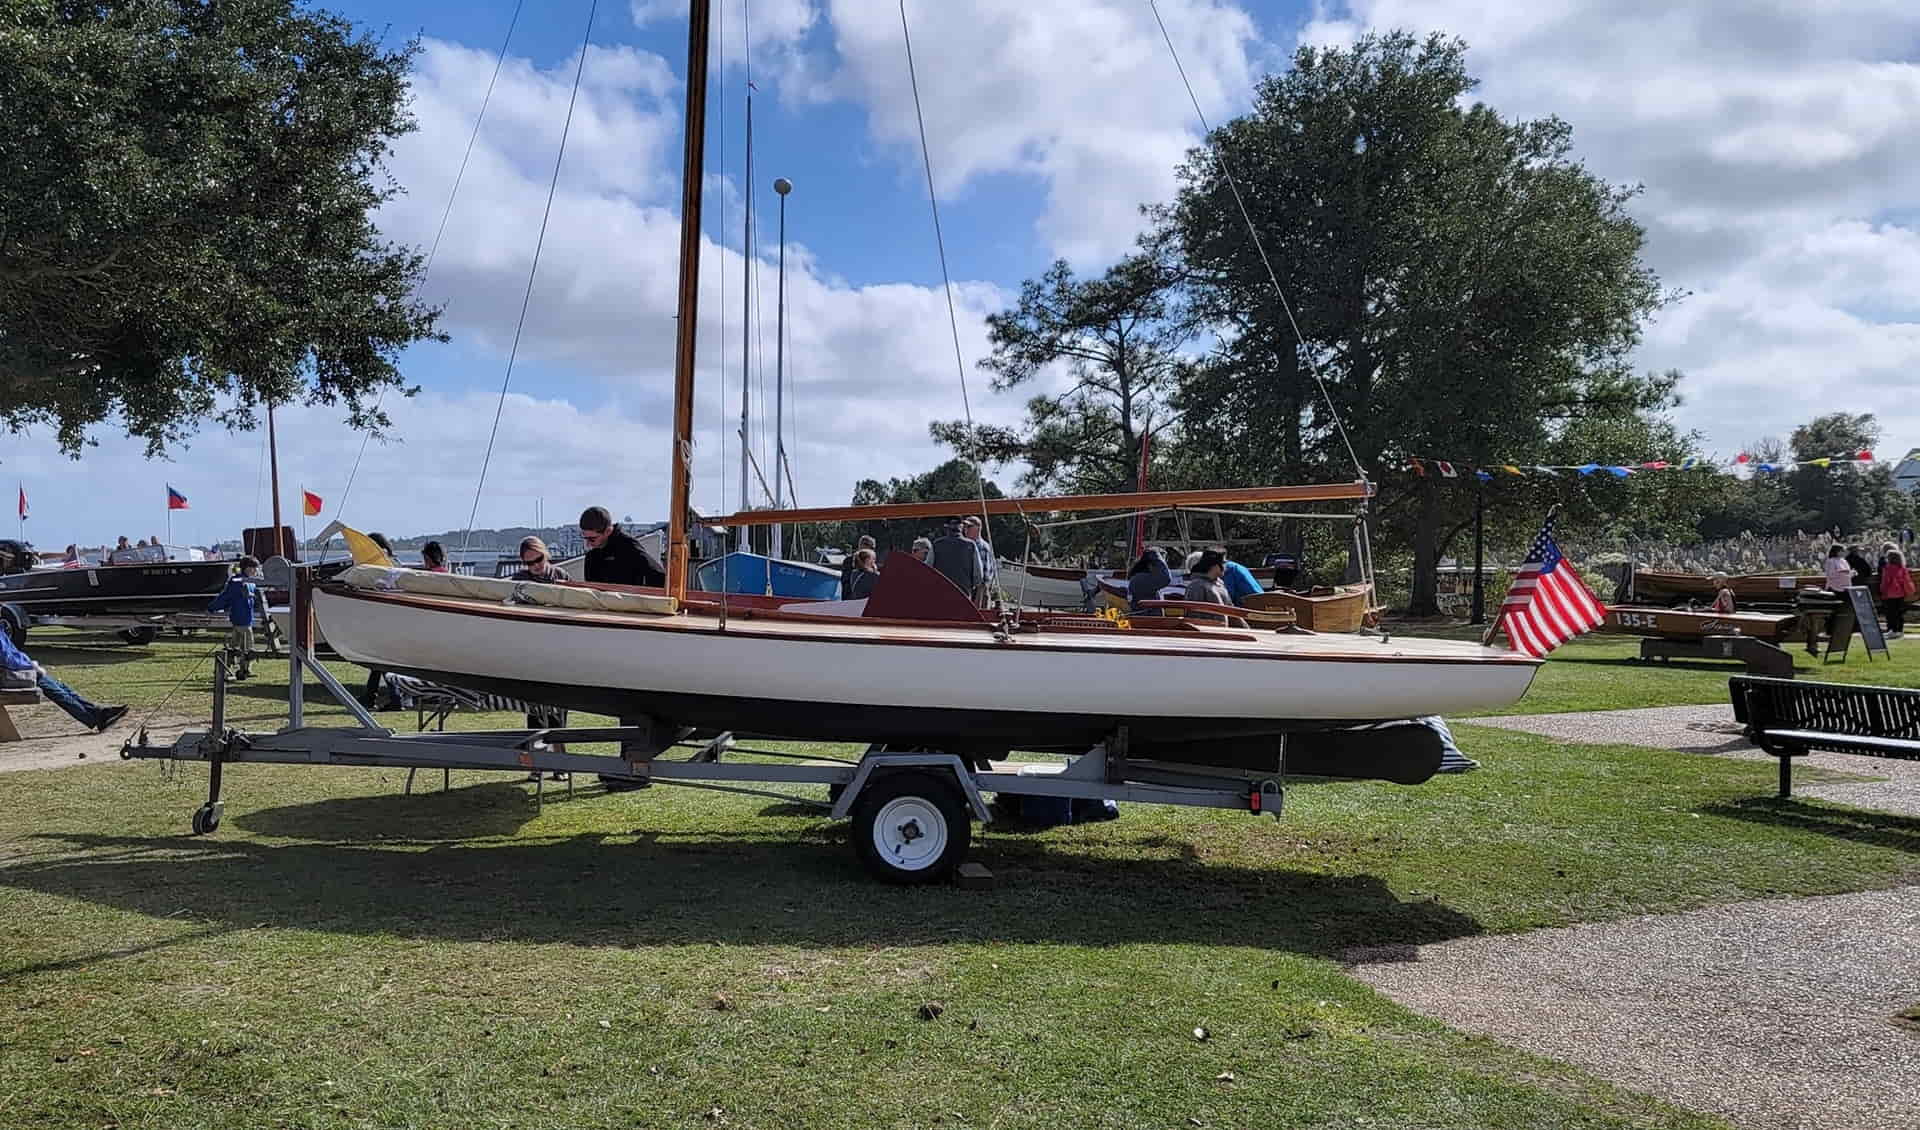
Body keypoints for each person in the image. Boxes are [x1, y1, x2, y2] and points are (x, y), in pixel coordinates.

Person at [2, 629, 128, 733]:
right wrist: (30, 666)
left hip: (9, 672)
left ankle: (98, 713)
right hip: (6, 676)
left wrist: (30, 664)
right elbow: (8, 659)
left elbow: (12, 654)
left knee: (57, 685)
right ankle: (96, 717)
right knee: (51, 687)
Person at [206, 556, 262, 679]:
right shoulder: (237, 582)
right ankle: (244, 670)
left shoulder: (251, 582)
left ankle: (224, 669)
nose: (255, 570)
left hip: (244, 619)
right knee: (247, 647)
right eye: (252, 568)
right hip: (242, 620)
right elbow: (225, 597)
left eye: (255, 568)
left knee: (234, 646)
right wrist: (212, 607)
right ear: (245, 568)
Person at [580, 506, 664, 586]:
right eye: (585, 538)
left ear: (608, 531)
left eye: (592, 539)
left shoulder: (628, 547)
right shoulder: (592, 556)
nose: (588, 544)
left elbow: (659, 577)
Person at [929, 519, 981, 598]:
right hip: (963, 593)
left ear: (947, 528)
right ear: (961, 528)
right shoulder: (971, 545)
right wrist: (970, 586)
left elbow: (928, 567)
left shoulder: (937, 544)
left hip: (940, 593)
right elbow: (978, 574)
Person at [1182, 549, 1233, 623]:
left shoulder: (1220, 584)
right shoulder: (1197, 586)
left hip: (1225, 631)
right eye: (1223, 563)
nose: (1226, 567)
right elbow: (1194, 615)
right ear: (1213, 565)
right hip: (1208, 631)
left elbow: (1231, 611)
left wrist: (1246, 629)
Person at [1126, 547, 1173, 615]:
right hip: (1146, 621)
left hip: (1146, 620)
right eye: (1160, 565)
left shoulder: (1138, 578)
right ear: (1150, 565)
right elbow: (1166, 578)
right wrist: (1155, 554)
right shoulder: (1141, 580)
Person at [962, 516, 997, 606]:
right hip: (969, 588)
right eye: (965, 527)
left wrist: (978, 597)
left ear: (978, 528)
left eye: (969, 527)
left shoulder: (981, 547)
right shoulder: (968, 545)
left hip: (979, 591)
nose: (966, 529)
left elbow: (984, 577)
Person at [1880, 550, 1913, 639]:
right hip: (1901, 593)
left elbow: (1885, 582)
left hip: (1890, 594)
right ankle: (1899, 630)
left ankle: (1892, 630)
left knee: (1891, 613)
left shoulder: (1888, 568)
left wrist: (1882, 591)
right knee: (1899, 613)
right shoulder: (1902, 568)